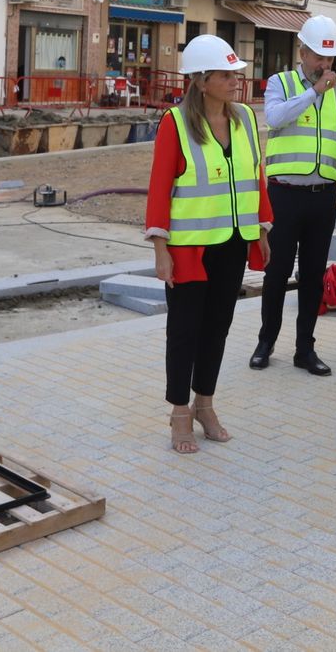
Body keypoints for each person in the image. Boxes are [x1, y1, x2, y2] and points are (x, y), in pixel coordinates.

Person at [145, 36, 272, 453]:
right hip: (189, 249)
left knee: (217, 328)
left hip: (232, 243)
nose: (236, 81)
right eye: (226, 74)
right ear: (201, 81)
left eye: (236, 73)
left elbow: (256, 177)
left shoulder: (245, 119)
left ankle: (205, 405)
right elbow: (159, 188)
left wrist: (262, 230)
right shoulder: (175, 123)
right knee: (184, 331)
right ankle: (180, 412)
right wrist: (160, 248)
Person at [252, 14, 336, 375]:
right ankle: (266, 342)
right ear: (302, 53)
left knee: (313, 274)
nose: (324, 65)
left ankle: (305, 349)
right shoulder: (280, 83)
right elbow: (275, 118)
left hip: (322, 195)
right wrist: (313, 93)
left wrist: (325, 168)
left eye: (330, 58)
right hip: (284, 195)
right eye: (318, 57)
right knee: (277, 272)